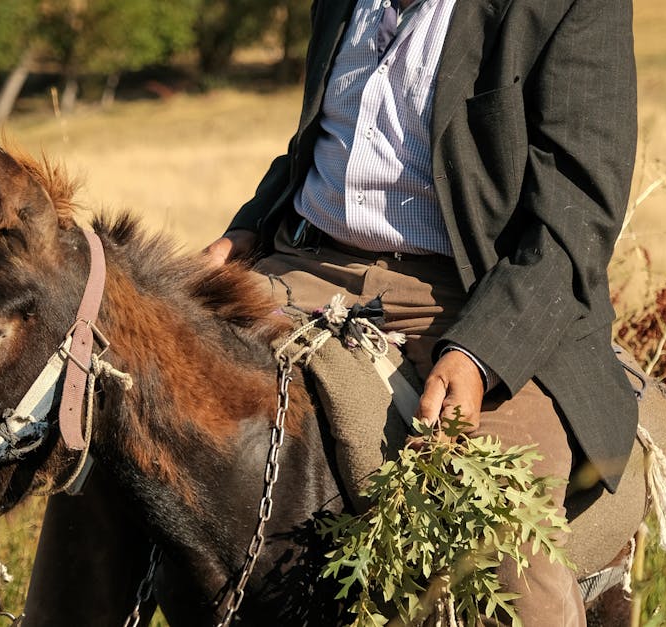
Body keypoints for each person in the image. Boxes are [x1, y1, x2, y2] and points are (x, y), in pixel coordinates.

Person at [205, 0, 638, 624]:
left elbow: (577, 215)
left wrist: (483, 351)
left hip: (472, 294)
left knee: (510, 554)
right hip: (301, 266)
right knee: (128, 392)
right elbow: (327, 135)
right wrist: (249, 226)